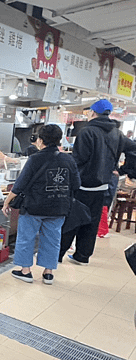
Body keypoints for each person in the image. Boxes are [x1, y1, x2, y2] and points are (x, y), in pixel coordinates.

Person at [59, 99, 136, 265]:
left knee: (71, 220)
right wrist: (124, 170)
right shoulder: (117, 133)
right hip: (102, 186)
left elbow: (78, 160)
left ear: (93, 113)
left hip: (82, 185)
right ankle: (82, 256)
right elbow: (134, 150)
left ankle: (57, 255)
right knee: (91, 221)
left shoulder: (87, 132)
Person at [2, 125, 81, 285]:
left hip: (34, 206)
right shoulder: (68, 159)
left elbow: (20, 184)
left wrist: (7, 201)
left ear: (40, 140)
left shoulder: (35, 159)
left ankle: (25, 271)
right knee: (52, 239)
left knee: (26, 238)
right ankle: (48, 273)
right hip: (59, 206)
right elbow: (76, 184)